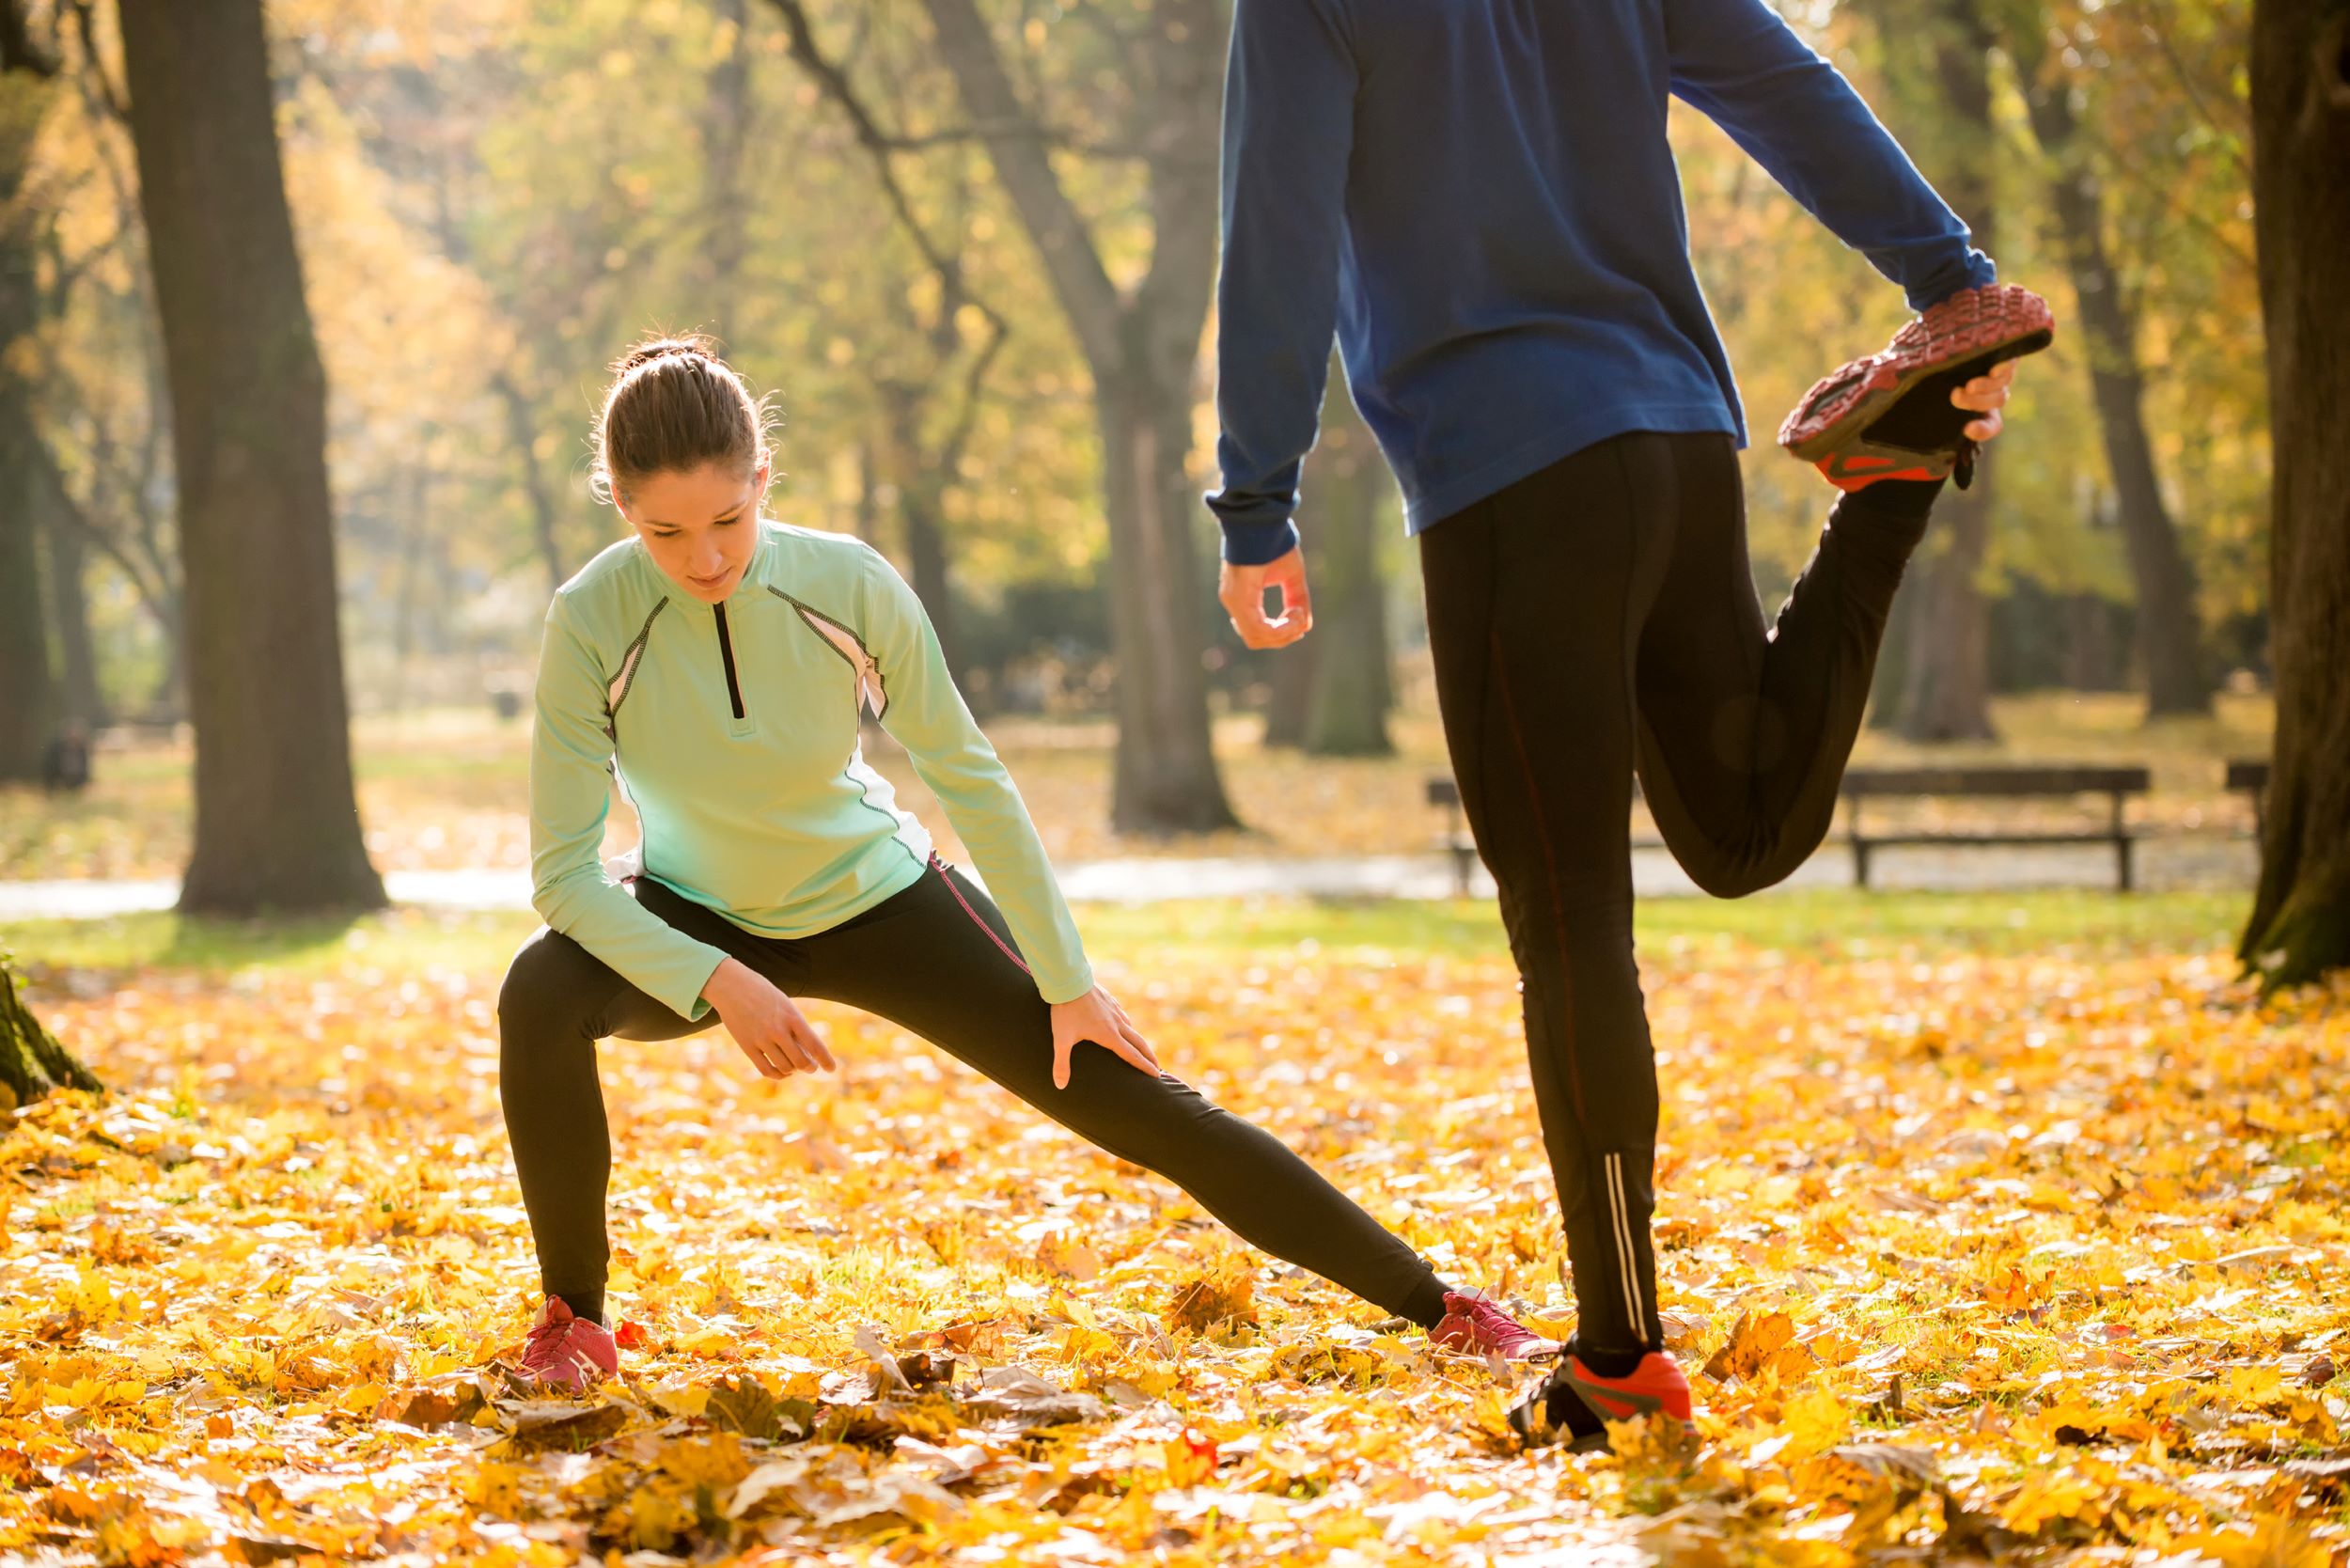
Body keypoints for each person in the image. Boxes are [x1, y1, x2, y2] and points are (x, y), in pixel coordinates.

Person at [1206, 0, 2048, 1449]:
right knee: (1738, 826)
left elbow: (1275, 223)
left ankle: (1617, 1355)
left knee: (1571, 919)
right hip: (1673, 437)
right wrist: (1947, 276)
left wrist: (1257, 497)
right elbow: (1793, 88)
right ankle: (1893, 483)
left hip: (1509, 482)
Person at [497, 336, 1557, 1391]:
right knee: (538, 990)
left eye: (729, 519)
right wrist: (717, 979)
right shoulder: (592, 619)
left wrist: (1067, 980)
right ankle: (574, 1324)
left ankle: (1443, 1307)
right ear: (620, 509)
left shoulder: (846, 583)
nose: (706, 559)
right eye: (664, 532)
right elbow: (565, 876)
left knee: (1141, 1101)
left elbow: (968, 777)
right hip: (695, 915)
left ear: (762, 479)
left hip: (879, 901)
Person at [42, 721, 92, 794]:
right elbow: (50, 766)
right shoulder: (56, 748)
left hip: (76, 778)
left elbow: (85, 766)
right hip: (59, 777)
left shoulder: (81, 749)